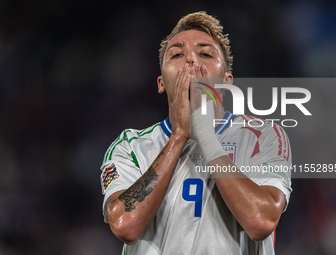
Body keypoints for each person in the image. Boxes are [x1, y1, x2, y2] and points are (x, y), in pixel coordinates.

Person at [100, 11, 292, 255]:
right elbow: (125, 226)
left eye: (205, 54)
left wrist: (205, 134)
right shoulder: (130, 146)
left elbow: (261, 221)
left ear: (227, 81)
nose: (191, 60)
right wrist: (179, 135)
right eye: (177, 54)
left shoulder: (263, 136)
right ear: (161, 83)